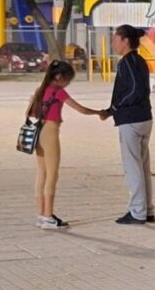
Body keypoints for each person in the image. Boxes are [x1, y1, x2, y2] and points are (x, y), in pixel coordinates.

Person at [29, 61, 106, 229]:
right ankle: (49, 215)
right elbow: (81, 109)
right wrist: (99, 112)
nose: (68, 83)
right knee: (52, 174)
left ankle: (41, 214)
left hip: (39, 130)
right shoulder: (58, 92)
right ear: (59, 77)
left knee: (41, 173)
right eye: (68, 80)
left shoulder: (41, 90)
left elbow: (31, 112)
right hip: (50, 132)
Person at [107, 25, 155, 225]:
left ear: (125, 40)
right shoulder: (141, 61)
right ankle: (147, 209)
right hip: (144, 117)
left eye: (115, 39)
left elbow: (134, 89)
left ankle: (137, 211)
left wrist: (117, 106)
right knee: (143, 165)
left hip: (131, 119)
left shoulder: (127, 62)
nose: (113, 43)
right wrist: (110, 110)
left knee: (133, 166)